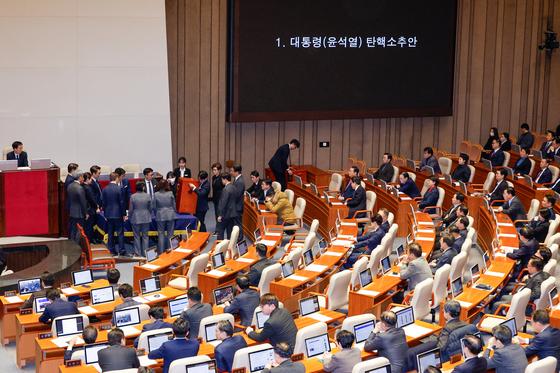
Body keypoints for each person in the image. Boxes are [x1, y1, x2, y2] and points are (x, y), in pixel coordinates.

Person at [407, 301, 472, 369]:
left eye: (444, 311)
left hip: (446, 357)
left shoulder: (448, 328)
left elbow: (440, 347)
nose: (443, 312)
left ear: (448, 313)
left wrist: (434, 338)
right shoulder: (466, 324)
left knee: (413, 352)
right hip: (459, 352)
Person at [102, 172, 126, 256]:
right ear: (116, 178)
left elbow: (103, 203)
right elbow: (122, 202)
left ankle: (111, 250)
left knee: (110, 233)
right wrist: (124, 214)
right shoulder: (119, 189)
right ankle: (121, 250)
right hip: (118, 214)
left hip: (108, 214)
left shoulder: (105, 189)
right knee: (120, 233)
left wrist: (105, 213)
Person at [129, 182, 152, 257]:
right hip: (146, 217)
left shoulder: (133, 196)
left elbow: (131, 209)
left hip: (136, 218)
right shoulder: (148, 196)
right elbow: (150, 208)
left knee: (136, 236)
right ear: (143, 188)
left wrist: (129, 217)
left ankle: (137, 253)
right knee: (145, 236)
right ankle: (145, 253)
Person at [154, 180, 176, 253]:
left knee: (161, 234)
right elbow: (174, 205)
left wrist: (157, 211)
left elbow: (153, 206)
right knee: (170, 233)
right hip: (170, 214)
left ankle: (161, 251)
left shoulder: (156, 194)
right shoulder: (170, 193)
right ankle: (170, 249)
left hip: (160, 215)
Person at [66, 171, 87, 242]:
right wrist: (86, 213)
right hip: (79, 213)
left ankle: (72, 245)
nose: (84, 178)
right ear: (80, 177)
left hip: (72, 211)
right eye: (83, 177)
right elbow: (83, 203)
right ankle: (77, 246)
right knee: (79, 231)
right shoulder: (80, 188)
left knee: (73, 229)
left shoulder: (70, 186)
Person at [217, 173, 237, 240]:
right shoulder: (233, 187)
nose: (221, 181)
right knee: (229, 231)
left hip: (225, 214)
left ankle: (219, 247)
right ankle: (229, 246)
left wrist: (220, 215)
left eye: (222, 180)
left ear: (225, 179)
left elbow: (223, 203)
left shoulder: (226, 189)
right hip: (232, 213)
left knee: (220, 230)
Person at [82, 172, 100, 241]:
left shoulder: (82, 186)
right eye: (90, 179)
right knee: (89, 226)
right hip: (90, 210)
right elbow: (92, 199)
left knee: (87, 226)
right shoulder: (88, 188)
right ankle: (88, 241)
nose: (91, 181)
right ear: (87, 179)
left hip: (86, 209)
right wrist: (97, 206)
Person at [231, 164, 245, 240]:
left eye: (232, 171)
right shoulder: (237, 179)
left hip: (237, 206)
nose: (231, 172)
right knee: (236, 223)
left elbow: (237, 195)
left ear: (237, 172)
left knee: (238, 223)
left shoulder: (239, 182)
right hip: (236, 205)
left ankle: (240, 238)